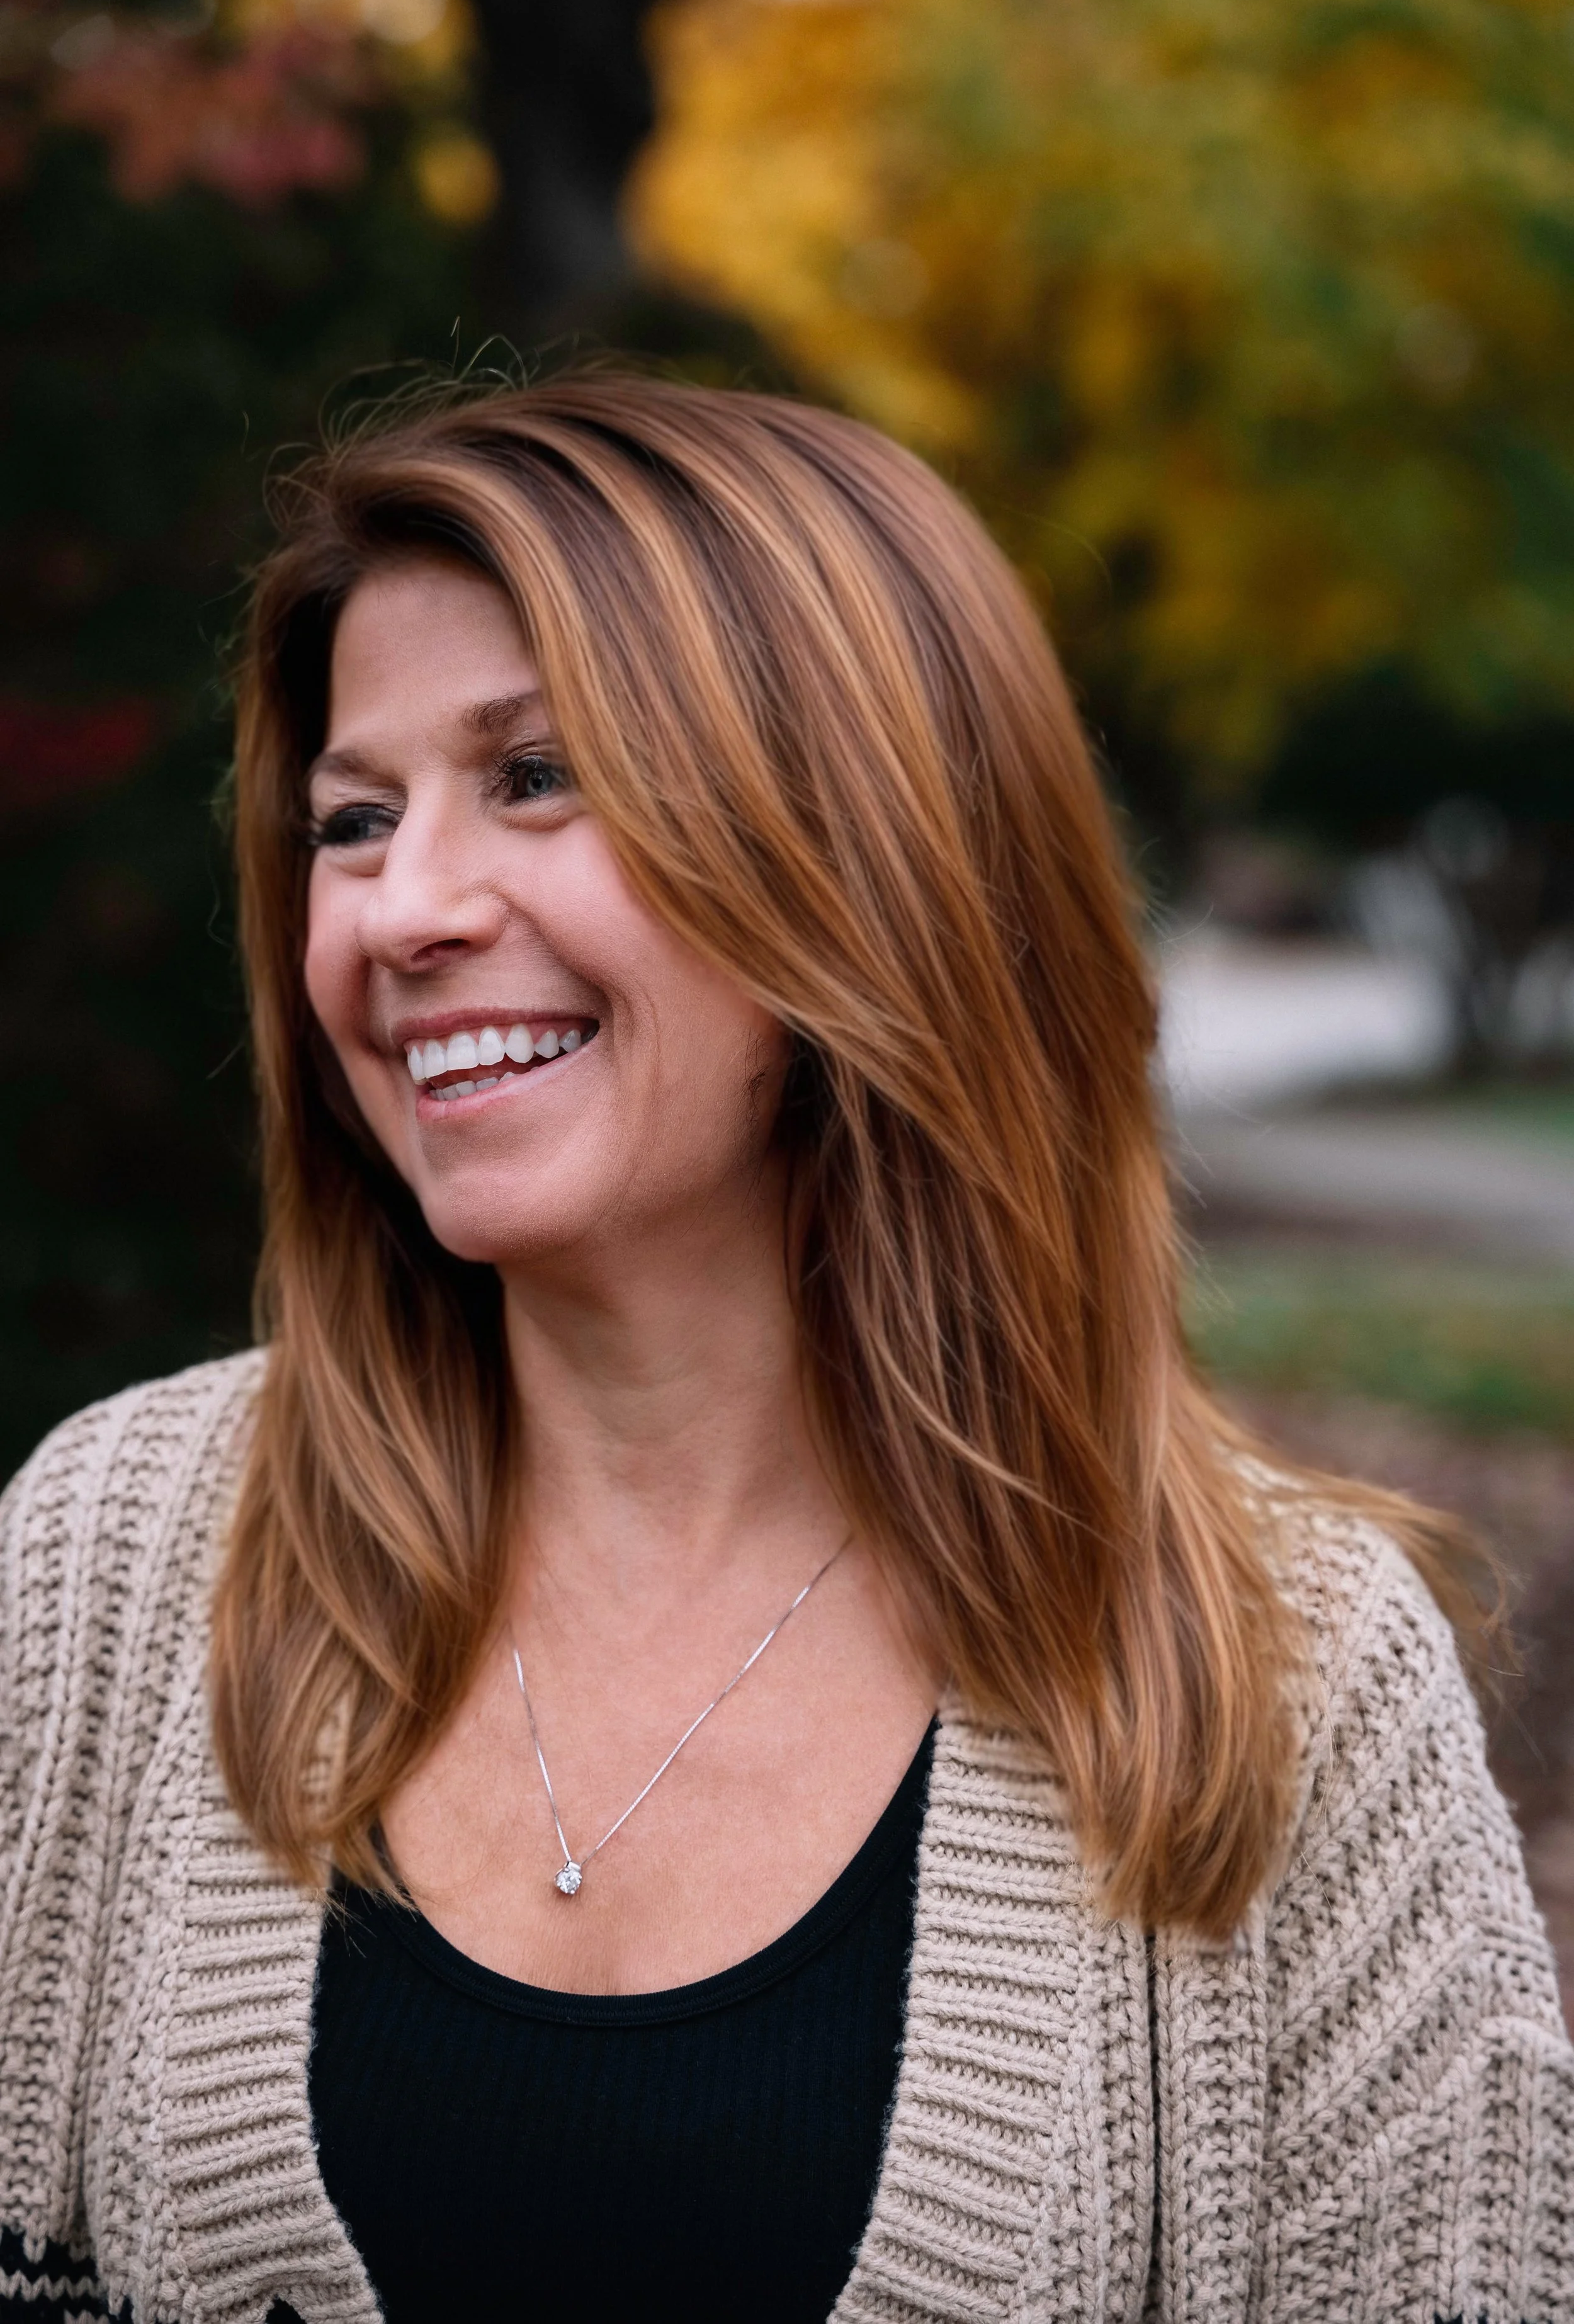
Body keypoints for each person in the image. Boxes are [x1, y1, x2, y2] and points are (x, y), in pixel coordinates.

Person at [0, 375, 1568, 2324]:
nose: (400, 910)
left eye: (538, 773)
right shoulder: (105, 1565)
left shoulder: (1282, 1675)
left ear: (867, 854)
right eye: (349, 818)